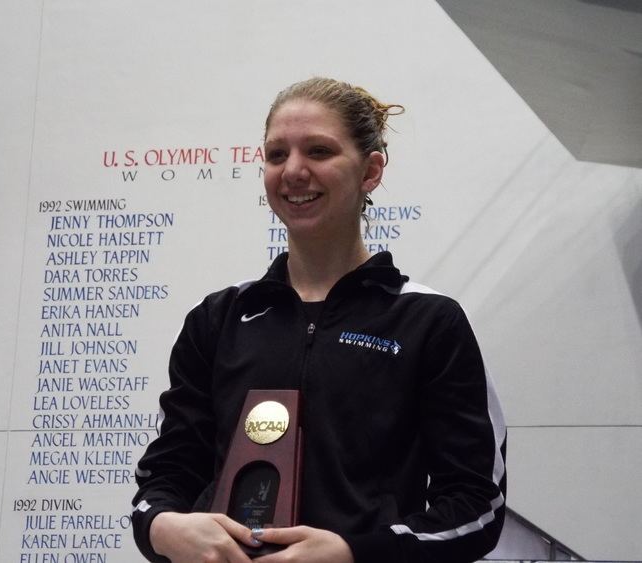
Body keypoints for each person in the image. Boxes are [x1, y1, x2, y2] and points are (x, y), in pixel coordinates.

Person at [131, 77, 507, 563]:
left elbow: (477, 505)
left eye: (319, 151)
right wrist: (163, 528)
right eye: (276, 155)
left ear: (370, 172)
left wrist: (355, 552)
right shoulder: (219, 318)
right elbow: (167, 476)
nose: (293, 171)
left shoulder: (427, 320)